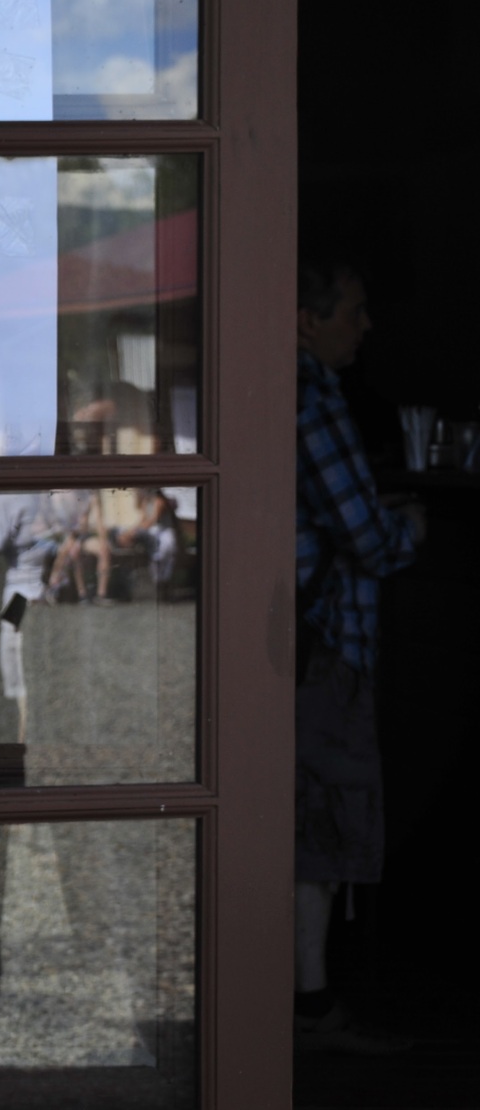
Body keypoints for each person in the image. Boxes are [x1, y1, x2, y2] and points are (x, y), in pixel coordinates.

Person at [293, 255, 422, 1052]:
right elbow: (367, 538)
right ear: (309, 320)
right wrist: (410, 529)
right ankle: (307, 1004)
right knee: (322, 824)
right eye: (353, 311)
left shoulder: (291, 390)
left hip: (300, 644)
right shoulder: (312, 395)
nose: (366, 327)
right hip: (324, 647)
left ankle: (300, 998)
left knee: (310, 819)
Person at [0, 493, 61, 743]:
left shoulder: (9, 497)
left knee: (26, 700)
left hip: (24, 604)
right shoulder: (64, 492)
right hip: (59, 604)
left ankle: (28, 759)